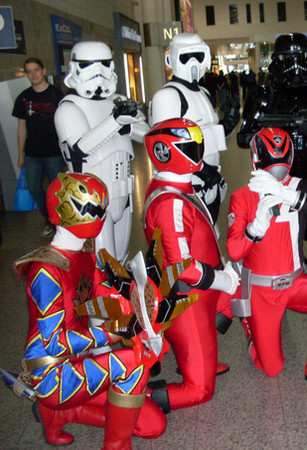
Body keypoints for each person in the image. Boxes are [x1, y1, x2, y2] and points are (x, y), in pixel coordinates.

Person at [13, 172, 166, 448]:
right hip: (53, 374)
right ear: (63, 211)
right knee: (133, 362)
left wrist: (141, 301)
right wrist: (112, 332)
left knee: (152, 425)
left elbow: (106, 291)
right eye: (92, 210)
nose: (99, 216)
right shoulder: (46, 271)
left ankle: (62, 414)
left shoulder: (85, 255)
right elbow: (55, 342)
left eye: (101, 209)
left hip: (79, 362)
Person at [227, 127, 307, 394]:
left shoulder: (301, 187)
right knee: (271, 368)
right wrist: (254, 229)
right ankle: (250, 326)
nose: (278, 169)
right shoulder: (243, 196)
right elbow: (235, 252)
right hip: (261, 291)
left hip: (296, 282)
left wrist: (290, 196)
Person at [142, 118, 239, 412]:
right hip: (188, 297)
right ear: (163, 152)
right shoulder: (170, 202)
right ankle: (126, 399)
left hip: (201, 289)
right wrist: (225, 280)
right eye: (189, 147)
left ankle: (197, 353)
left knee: (237, 298)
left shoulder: (176, 186)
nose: (197, 152)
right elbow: (182, 266)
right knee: (200, 391)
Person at [237, 33, 307, 286]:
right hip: (274, 177)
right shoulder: (265, 94)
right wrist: (275, 132)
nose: (295, 66)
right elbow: (244, 137)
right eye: (288, 58)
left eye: (299, 58)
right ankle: (279, 286)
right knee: (274, 235)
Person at [54, 41, 148, 263]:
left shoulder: (118, 101)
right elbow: (81, 148)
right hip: (89, 197)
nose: (99, 72)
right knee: (103, 262)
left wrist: (127, 126)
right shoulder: (69, 108)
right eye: (89, 65)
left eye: (104, 64)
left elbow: (148, 135)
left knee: (121, 258)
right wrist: (115, 121)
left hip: (123, 192)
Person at [150, 33, 239, 224]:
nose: (193, 63)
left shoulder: (203, 92)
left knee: (210, 233)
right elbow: (166, 149)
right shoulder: (167, 96)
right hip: (186, 184)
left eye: (198, 56)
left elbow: (208, 134)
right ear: (171, 59)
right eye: (186, 57)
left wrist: (228, 125)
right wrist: (203, 170)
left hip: (210, 180)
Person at [12, 57, 65, 237]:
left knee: (56, 189)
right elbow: (21, 127)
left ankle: (60, 223)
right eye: (29, 71)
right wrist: (20, 154)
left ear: (43, 71)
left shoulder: (56, 95)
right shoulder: (24, 98)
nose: (33, 74)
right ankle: (50, 218)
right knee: (34, 187)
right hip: (32, 153)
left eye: (36, 70)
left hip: (54, 153)